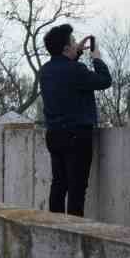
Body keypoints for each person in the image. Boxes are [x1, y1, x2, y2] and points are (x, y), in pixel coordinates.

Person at [39, 23, 114, 217]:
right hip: (76, 136)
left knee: (59, 185)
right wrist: (97, 59)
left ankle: (52, 227)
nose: (76, 44)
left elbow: (66, 74)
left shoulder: (45, 71)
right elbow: (104, 80)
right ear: (65, 48)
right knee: (77, 189)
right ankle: (74, 231)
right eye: (73, 42)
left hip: (54, 136)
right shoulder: (76, 70)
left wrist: (76, 52)